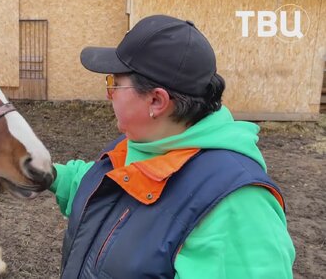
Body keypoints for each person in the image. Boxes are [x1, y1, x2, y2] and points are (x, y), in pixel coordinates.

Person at [49, 15, 295, 279]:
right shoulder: (146, 144)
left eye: (114, 84)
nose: (109, 94)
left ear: (156, 101)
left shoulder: (238, 208)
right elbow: (104, 190)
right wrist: (46, 173)